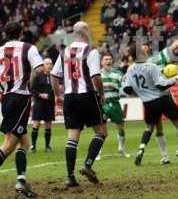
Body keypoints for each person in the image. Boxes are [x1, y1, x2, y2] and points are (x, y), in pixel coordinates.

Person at [50, 21, 108, 187]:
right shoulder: (91, 51)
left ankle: (70, 177)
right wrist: (101, 94)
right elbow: (96, 76)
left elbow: (54, 76)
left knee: (72, 138)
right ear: (85, 32)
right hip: (87, 96)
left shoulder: (64, 52)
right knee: (102, 131)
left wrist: (57, 95)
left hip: (69, 97)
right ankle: (88, 165)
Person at [122, 49, 178, 165]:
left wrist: (142, 93)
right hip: (162, 100)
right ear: (142, 54)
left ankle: (141, 149)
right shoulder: (151, 66)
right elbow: (161, 85)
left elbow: (127, 89)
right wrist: (176, 78)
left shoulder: (130, 69)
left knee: (149, 127)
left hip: (148, 103)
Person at [140, 27, 178, 164]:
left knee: (158, 127)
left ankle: (177, 152)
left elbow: (173, 47)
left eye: (144, 48)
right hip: (163, 95)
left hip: (151, 99)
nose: (143, 50)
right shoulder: (153, 60)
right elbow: (172, 47)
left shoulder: (142, 64)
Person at [0, 22, 44, 198]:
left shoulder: (0, 50)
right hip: (20, 98)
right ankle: (21, 181)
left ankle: (21, 180)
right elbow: (40, 69)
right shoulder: (28, 48)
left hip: (6, 98)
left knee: (24, 142)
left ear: (5, 34)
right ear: (20, 33)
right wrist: (28, 78)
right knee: (9, 144)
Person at [96, 53, 129, 160]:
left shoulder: (118, 73)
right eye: (106, 59)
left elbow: (123, 87)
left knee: (121, 128)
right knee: (102, 131)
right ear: (102, 62)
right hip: (103, 105)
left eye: (110, 59)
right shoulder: (97, 74)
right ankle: (98, 152)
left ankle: (122, 149)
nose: (108, 61)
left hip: (115, 104)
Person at [30, 58, 55, 153]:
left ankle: (47, 146)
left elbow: (55, 90)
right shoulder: (37, 76)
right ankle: (33, 146)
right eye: (47, 63)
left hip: (49, 103)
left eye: (50, 63)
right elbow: (32, 90)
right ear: (43, 65)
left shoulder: (53, 77)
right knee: (36, 124)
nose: (49, 65)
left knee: (48, 125)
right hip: (39, 103)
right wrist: (40, 95)